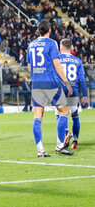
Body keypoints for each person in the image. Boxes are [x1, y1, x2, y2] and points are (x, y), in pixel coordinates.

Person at [27, 20, 73, 157]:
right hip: (51, 83)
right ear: (49, 30)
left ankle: (40, 150)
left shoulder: (31, 45)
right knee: (64, 111)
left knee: (37, 117)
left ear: (38, 30)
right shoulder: (52, 43)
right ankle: (60, 146)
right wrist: (67, 83)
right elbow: (57, 65)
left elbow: (30, 68)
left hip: (36, 84)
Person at [55, 39, 88, 149]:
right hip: (73, 90)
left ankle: (64, 134)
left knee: (60, 115)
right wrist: (85, 95)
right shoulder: (77, 61)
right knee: (75, 116)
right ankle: (75, 141)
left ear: (61, 48)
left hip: (60, 90)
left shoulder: (57, 59)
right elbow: (82, 79)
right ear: (71, 48)